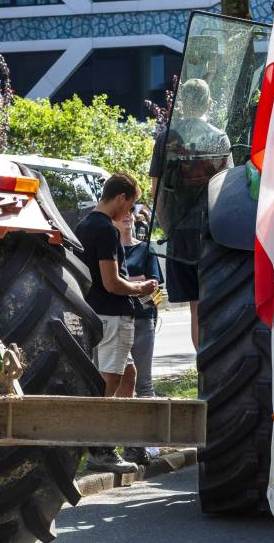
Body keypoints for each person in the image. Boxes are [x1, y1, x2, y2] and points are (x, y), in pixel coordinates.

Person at [74, 173, 159, 474]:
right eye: (131, 205)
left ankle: (126, 440)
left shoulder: (83, 226)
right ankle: (100, 449)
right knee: (109, 380)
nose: (130, 213)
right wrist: (142, 288)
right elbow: (112, 282)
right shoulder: (106, 232)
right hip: (113, 314)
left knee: (129, 376)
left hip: (94, 312)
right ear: (121, 198)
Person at [150, 78, 231, 351]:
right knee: (217, 304)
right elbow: (225, 189)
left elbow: (155, 191)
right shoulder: (219, 138)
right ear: (209, 104)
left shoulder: (165, 139)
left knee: (196, 309)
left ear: (182, 104)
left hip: (180, 237)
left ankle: (203, 368)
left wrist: (169, 226)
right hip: (213, 233)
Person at [114, 210, 163, 465]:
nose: (127, 218)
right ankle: (127, 442)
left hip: (143, 321)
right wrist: (137, 283)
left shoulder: (145, 250)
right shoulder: (110, 249)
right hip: (117, 321)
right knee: (119, 382)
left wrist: (125, 286)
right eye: (121, 215)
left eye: (130, 215)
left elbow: (156, 292)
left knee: (144, 383)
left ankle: (147, 442)